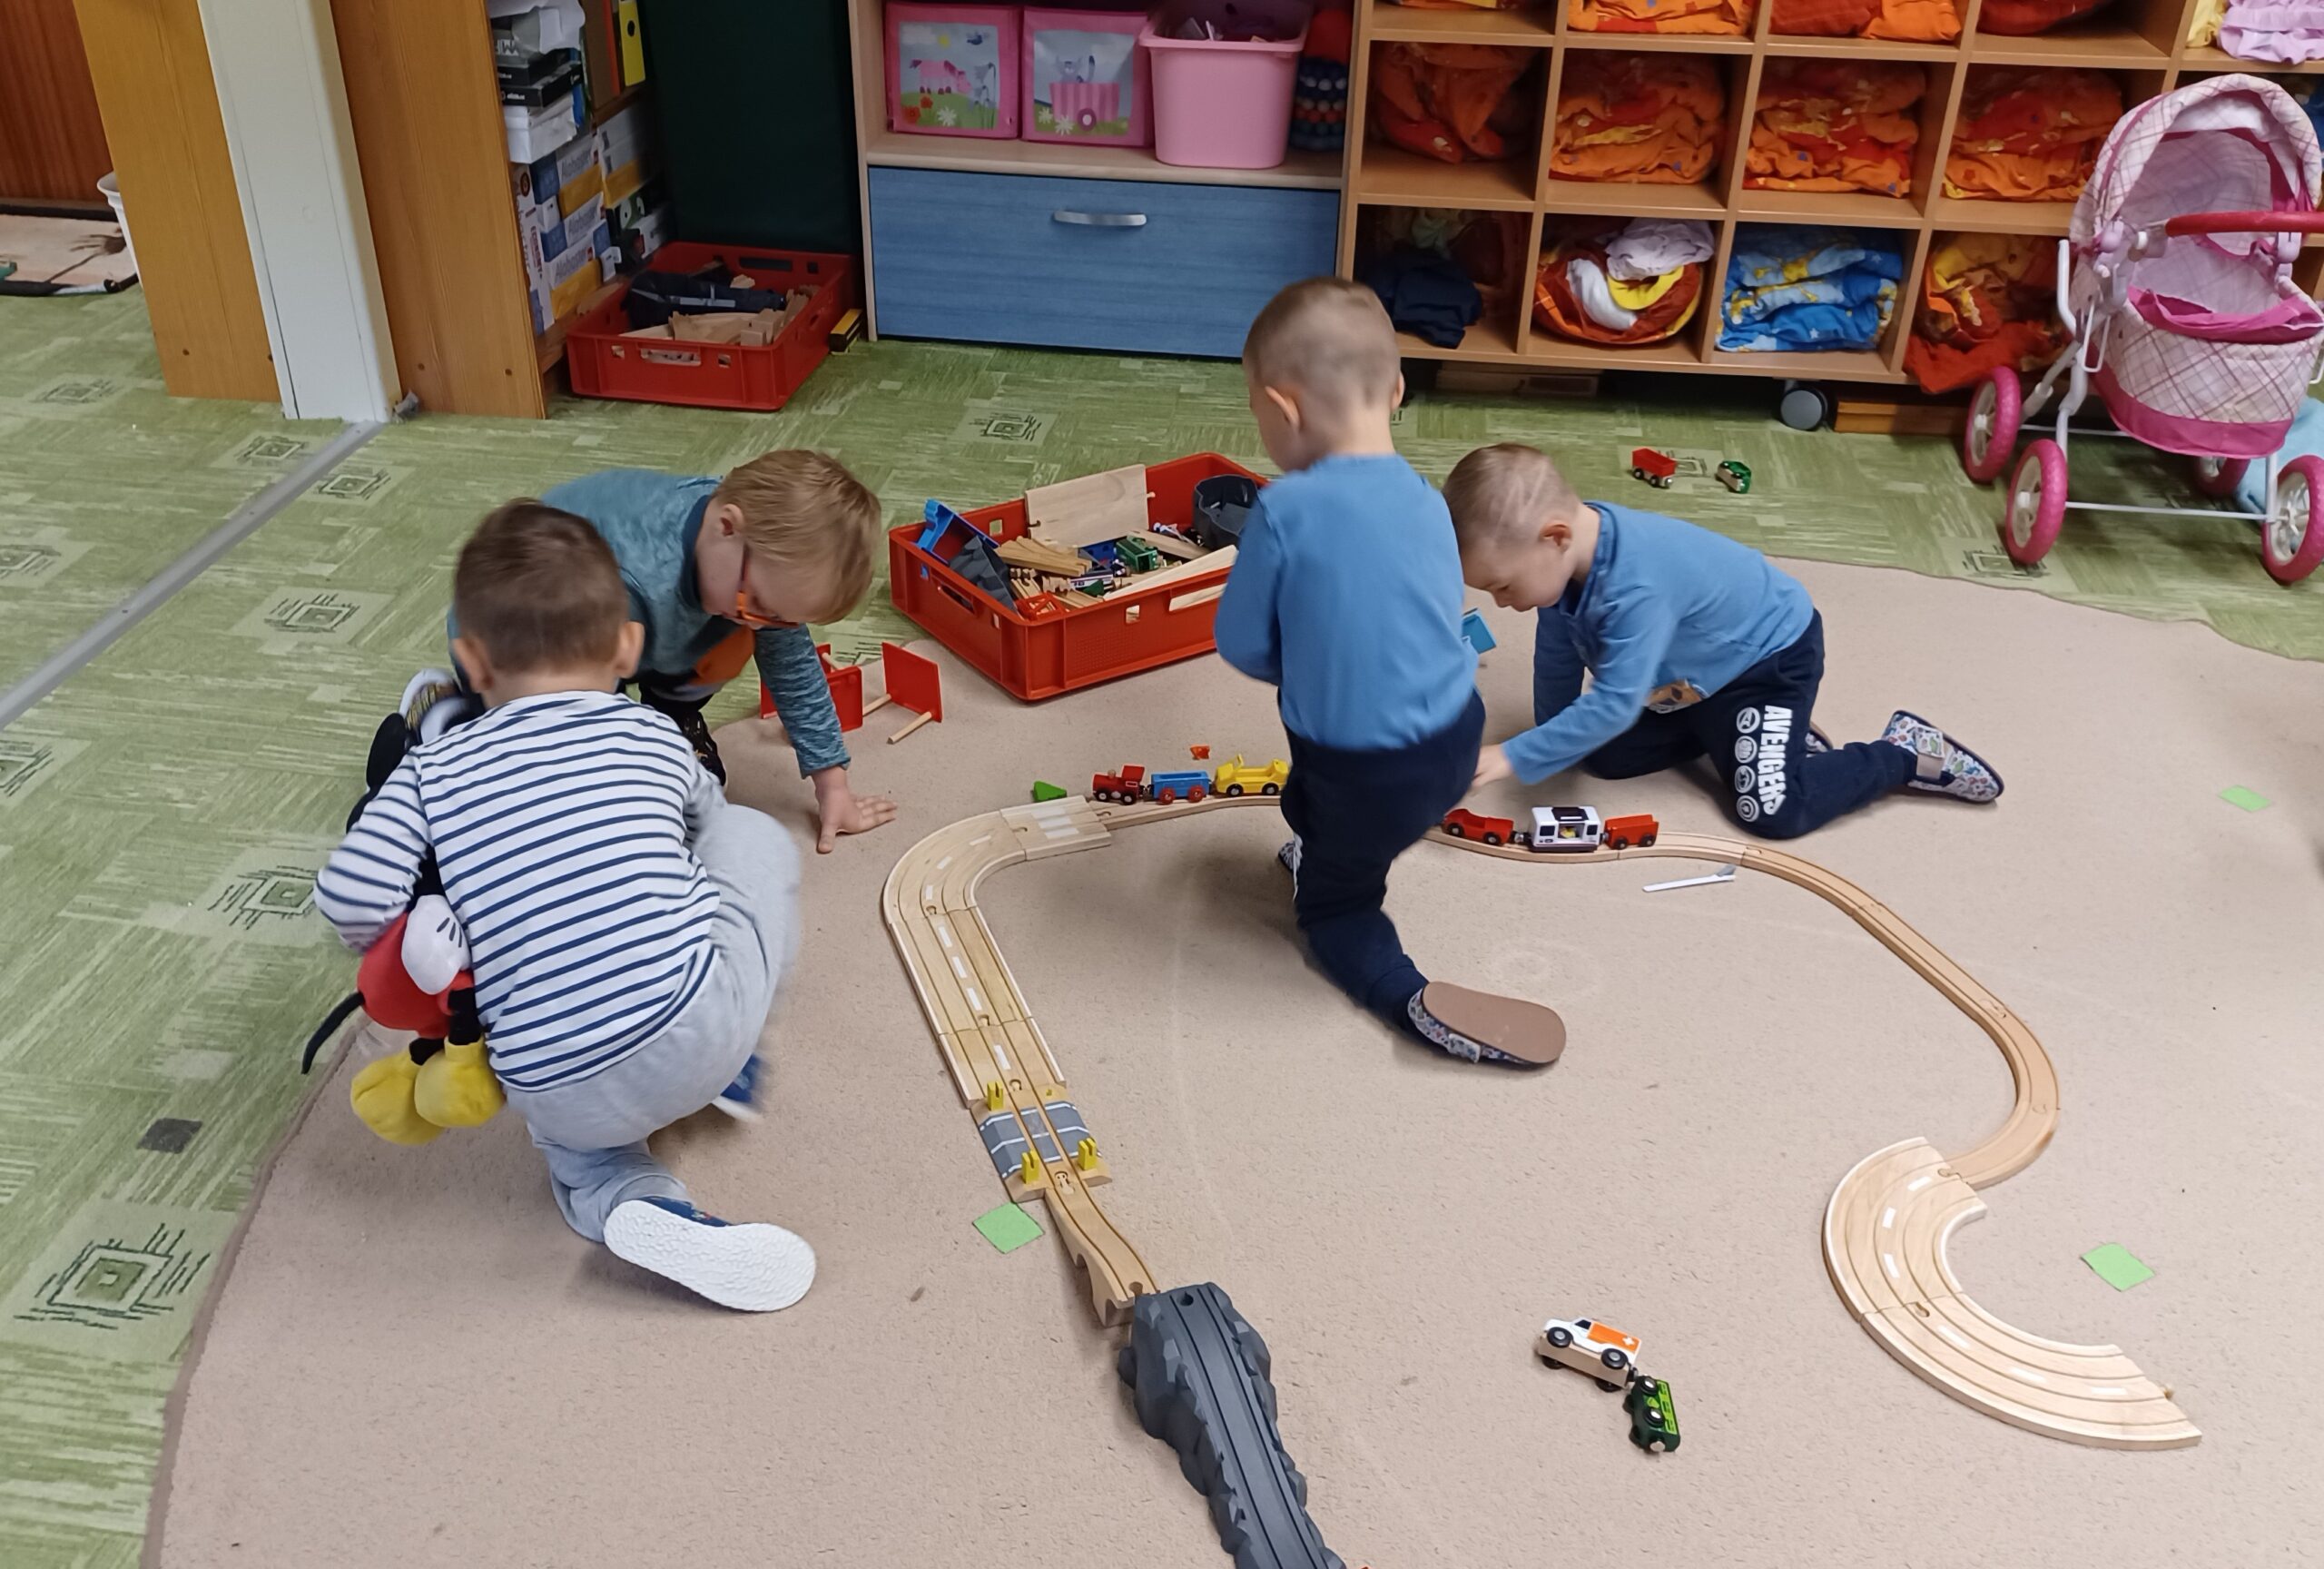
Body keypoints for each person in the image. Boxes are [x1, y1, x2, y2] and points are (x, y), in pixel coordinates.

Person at [315, 502, 815, 1312]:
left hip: (552, 1083)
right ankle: (743, 1055)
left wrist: (421, 943)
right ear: (626, 647)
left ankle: (635, 1201)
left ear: (472, 662)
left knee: (581, 1150)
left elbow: (350, 897)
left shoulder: (427, 772)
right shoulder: (653, 736)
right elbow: (703, 834)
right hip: (699, 1027)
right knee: (750, 836)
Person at [1212, 279, 1562, 1069]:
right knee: (1314, 803)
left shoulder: (1285, 510)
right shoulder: (1428, 499)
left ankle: (1404, 996)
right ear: (1397, 390)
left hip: (1365, 774)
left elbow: (1240, 644)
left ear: (1284, 409)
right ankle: (1330, 845)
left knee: (1336, 903)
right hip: (1454, 746)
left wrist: (1304, 664)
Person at [1442, 442, 2002, 837]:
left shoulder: (1637, 585)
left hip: (1767, 663)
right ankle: (1750, 738)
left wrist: (1513, 754)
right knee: (1598, 755)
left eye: (1504, 585)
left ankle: (1903, 753)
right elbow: (1557, 656)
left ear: (1555, 537)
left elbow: (1613, 704)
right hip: (1686, 681)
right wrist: (1549, 737)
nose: (1503, 603)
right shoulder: (1564, 566)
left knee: (1772, 811)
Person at [397, 449, 896, 854]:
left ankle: (673, 717)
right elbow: (583, 712)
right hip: (522, 647)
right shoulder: (638, 576)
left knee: (735, 642)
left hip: (623, 642)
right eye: (759, 605)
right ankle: (452, 715)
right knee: (531, 782)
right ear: (727, 527)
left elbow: (794, 667)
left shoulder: (750, 565)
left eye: (781, 617)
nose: (763, 621)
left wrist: (832, 785)